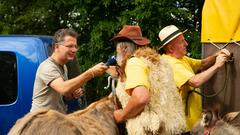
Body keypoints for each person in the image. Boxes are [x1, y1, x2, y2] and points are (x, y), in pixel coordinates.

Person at [112, 25, 186, 135]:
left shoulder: (134, 63)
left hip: (150, 130)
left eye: (117, 49)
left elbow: (141, 97)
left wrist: (122, 115)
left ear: (123, 49)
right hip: (172, 129)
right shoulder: (161, 62)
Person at [159, 25, 231, 133]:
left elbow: (203, 64)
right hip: (183, 127)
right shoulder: (171, 64)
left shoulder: (182, 59)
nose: (186, 44)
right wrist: (217, 65)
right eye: (182, 41)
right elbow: (195, 81)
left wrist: (217, 55)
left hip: (191, 123)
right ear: (171, 48)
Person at [30, 28, 108, 114]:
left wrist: (73, 94)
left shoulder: (63, 66)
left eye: (75, 46)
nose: (74, 50)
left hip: (54, 120)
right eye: (70, 46)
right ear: (57, 47)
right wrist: (91, 73)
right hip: (41, 121)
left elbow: (65, 96)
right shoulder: (47, 67)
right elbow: (64, 88)